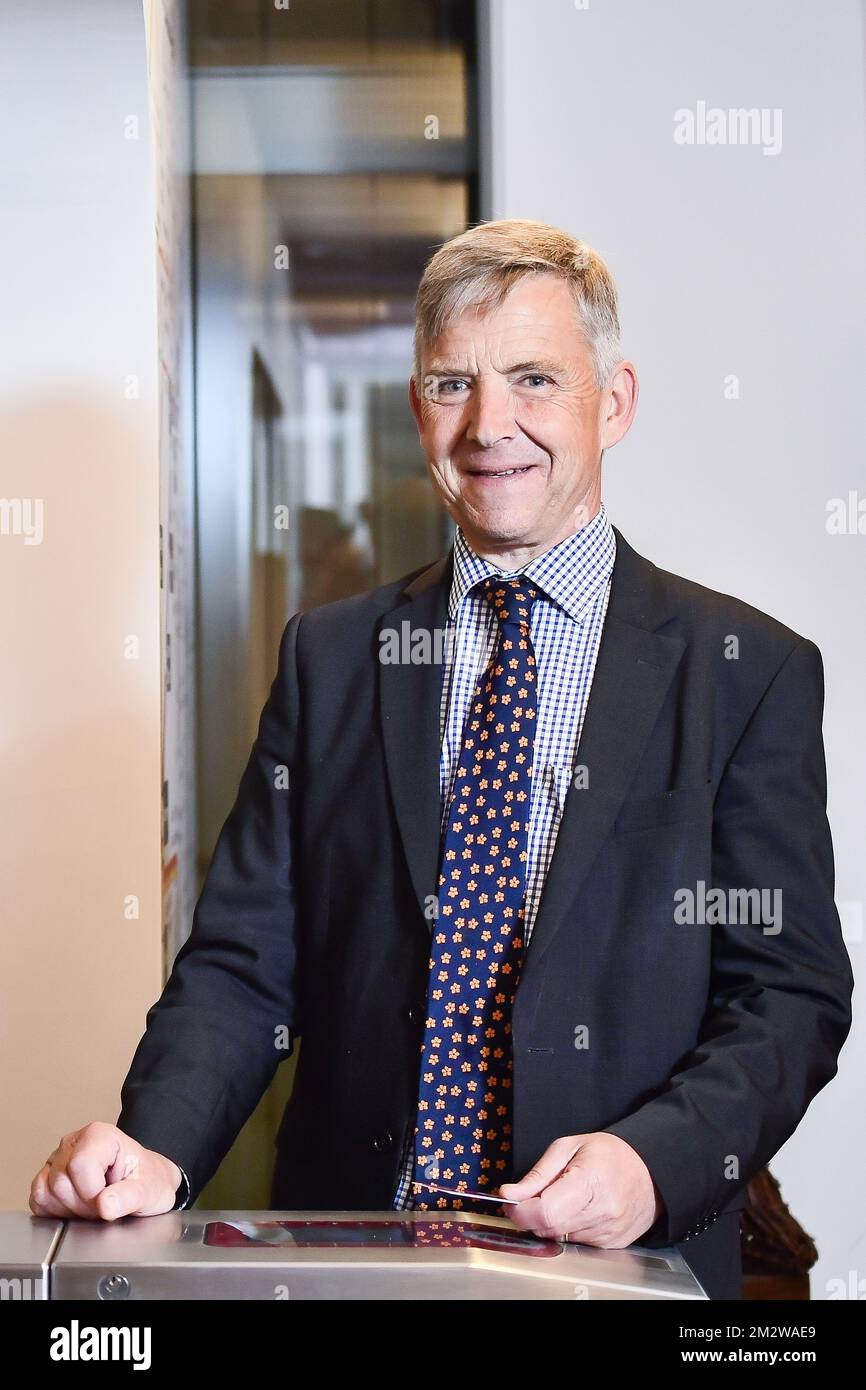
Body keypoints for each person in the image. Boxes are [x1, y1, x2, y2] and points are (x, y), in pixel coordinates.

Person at [30, 219, 853, 1301]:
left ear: (612, 402)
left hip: (615, 1274)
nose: (489, 425)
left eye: (531, 379)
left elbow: (787, 993)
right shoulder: (330, 657)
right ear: (416, 407)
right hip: (350, 1270)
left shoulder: (744, 672)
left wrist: (654, 1163)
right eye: (451, 383)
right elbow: (243, 961)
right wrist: (159, 1148)